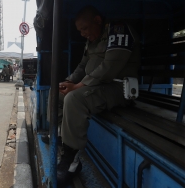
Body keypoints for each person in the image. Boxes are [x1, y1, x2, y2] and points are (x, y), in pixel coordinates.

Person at [51, 5, 141, 186]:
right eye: (80, 30)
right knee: (57, 94)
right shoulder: (92, 40)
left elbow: (110, 67)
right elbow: (83, 66)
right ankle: (63, 141)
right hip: (97, 87)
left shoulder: (118, 30)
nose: (83, 33)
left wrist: (77, 86)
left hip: (118, 89)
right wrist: (67, 83)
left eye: (84, 28)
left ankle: (72, 161)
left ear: (97, 21)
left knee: (74, 98)